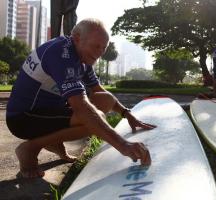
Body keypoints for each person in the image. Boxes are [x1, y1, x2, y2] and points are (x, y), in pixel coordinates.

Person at [6, 18, 156, 178]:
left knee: (105, 100)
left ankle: (54, 142)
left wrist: (126, 113)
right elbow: (81, 107)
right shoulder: (61, 54)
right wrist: (123, 145)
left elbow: (99, 91)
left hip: (48, 112)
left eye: (103, 48)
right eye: (96, 46)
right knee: (94, 120)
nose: (99, 52)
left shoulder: (82, 57)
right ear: (77, 38)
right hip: (23, 119)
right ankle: (30, 148)